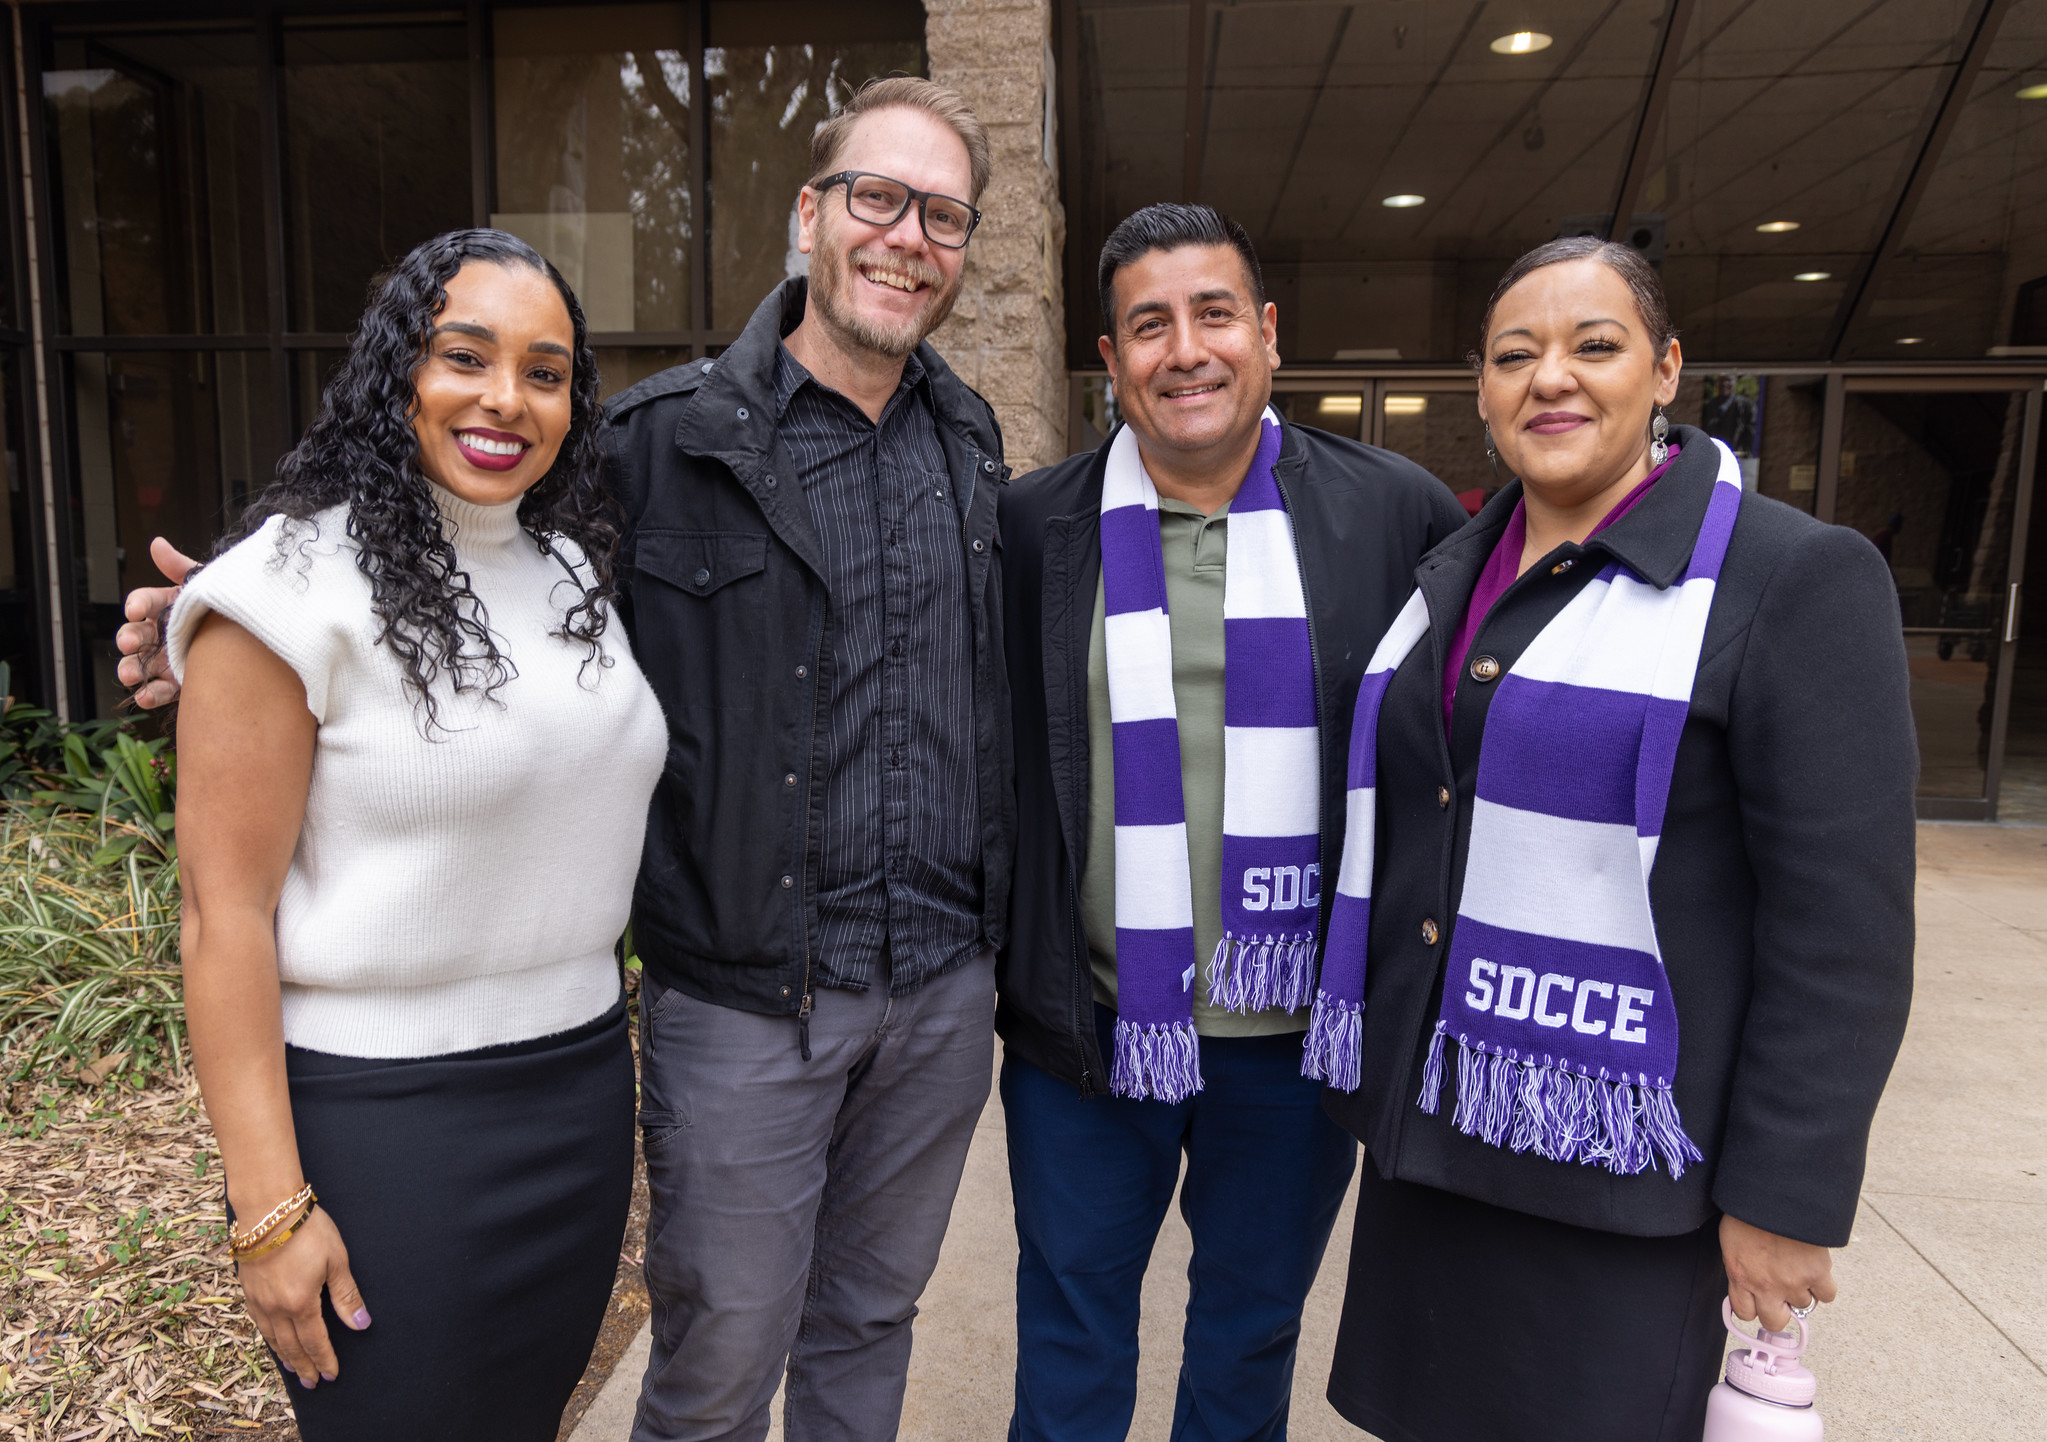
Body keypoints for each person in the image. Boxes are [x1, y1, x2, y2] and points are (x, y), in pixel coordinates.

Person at [1309, 235, 1916, 1441]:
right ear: (1480, 392)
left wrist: (1785, 1193)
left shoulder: (1789, 577)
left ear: (1666, 369)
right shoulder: (1457, 568)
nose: (1552, 378)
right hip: (1439, 1140)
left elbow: (1840, 924)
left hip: (1625, 1178)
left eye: (1595, 345)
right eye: (1514, 354)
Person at [167, 229, 666, 1440]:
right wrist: (269, 1208)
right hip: (390, 1131)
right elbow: (220, 914)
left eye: (546, 372)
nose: (505, 399)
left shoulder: (569, 574)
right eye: (465, 356)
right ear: (399, 370)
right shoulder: (288, 587)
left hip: (579, 1096)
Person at [997, 204, 1468, 1441]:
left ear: (1266, 334)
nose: (1184, 350)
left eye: (1213, 314)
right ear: (1112, 359)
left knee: (1248, 1329)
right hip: (1091, 1032)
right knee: (1068, 1321)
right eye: (1148, 324)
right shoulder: (1032, 529)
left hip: (1296, 1042)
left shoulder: (1390, 512)